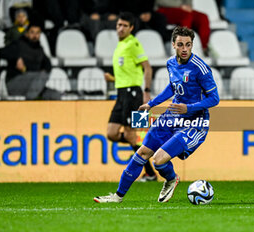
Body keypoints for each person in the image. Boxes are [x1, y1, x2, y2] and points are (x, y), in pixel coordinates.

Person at [94, 26, 220, 203]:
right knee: (142, 152)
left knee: (158, 160)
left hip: (195, 122)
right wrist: (151, 104)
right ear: (173, 45)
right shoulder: (170, 63)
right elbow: (172, 87)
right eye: (181, 44)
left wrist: (189, 108)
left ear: (192, 46)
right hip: (172, 115)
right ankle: (118, 196)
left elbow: (214, 99)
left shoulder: (200, 68)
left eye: (188, 45)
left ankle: (170, 179)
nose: (185, 49)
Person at [104, 12, 157, 182]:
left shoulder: (133, 44)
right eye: (119, 25)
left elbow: (148, 68)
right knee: (111, 133)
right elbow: (126, 73)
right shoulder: (120, 45)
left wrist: (146, 91)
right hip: (121, 94)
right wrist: (112, 79)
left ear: (131, 28)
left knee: (131, 133)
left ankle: (150, 173)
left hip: (133, 93)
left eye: (124, 26)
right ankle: (143, 150)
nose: (120, 28)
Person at [0, 23, 61, 100]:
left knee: (55, 94)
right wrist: (16, 58)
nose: (35, 35)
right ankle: (29, 103)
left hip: (33, 86)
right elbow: (0, 52)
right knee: (41, 75)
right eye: (32, 32)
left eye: (37, 33)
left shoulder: (40, 50)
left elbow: (48, 65)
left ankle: (34, 101)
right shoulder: (19, 44)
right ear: (27, 34)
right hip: (15, 83)